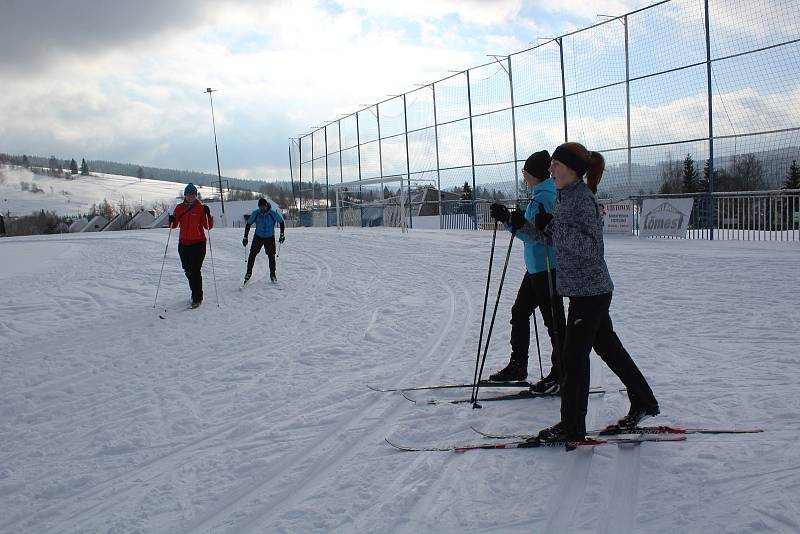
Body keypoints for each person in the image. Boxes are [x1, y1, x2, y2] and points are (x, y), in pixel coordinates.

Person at [509, 142, 659, 445]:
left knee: (574, 357)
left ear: (573, 170)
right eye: (551, 165)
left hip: (590, 291)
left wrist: (554, 227)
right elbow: (550, 239)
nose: (551, 170)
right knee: (609, 349)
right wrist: (516, 225)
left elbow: (591, 249)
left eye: (556, 165)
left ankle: (571, 425)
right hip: (584, 290)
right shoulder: (565, 198)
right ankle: (644, 400)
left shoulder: (582, 200)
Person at [488, 150, 565, 394]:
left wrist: (510, 222)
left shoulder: (544, 196)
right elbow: (530, 231)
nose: (524, 175)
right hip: (536, 268)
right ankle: (518, 365)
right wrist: (512, 220)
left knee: (553, 322)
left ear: (533, 174)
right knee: (520, 311)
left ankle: (561, 373)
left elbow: (536, 237)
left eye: (525, 171)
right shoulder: (540, 194)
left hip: (546, 268)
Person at [169, 183, 213, 308]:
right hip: (183, 244)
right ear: (185, 195)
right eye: (188, 194)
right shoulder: (179, 208)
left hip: (198, 243)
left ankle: (197, 297)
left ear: (196, 195)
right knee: (187, 270)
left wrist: (208, 215)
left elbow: (208, 226)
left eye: (193, 194)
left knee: (194, 270)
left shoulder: (200, 208)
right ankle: (195, 292)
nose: (190, 197)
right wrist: (171, 219)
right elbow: (173, 226)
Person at [242, 197, 286, 283]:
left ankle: (272, 274)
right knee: (252, 254)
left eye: (264, 207)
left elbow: (281, 222)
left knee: (271, 256)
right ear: (259, 207)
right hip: (258, 236)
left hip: (269, 237)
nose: (262, 209)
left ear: (266, 206)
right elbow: (248, 224)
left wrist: (282, 234)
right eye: (261, 207)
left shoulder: (272, 213)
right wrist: (245, 237)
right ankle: (248, 272)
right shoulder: (256, 213)